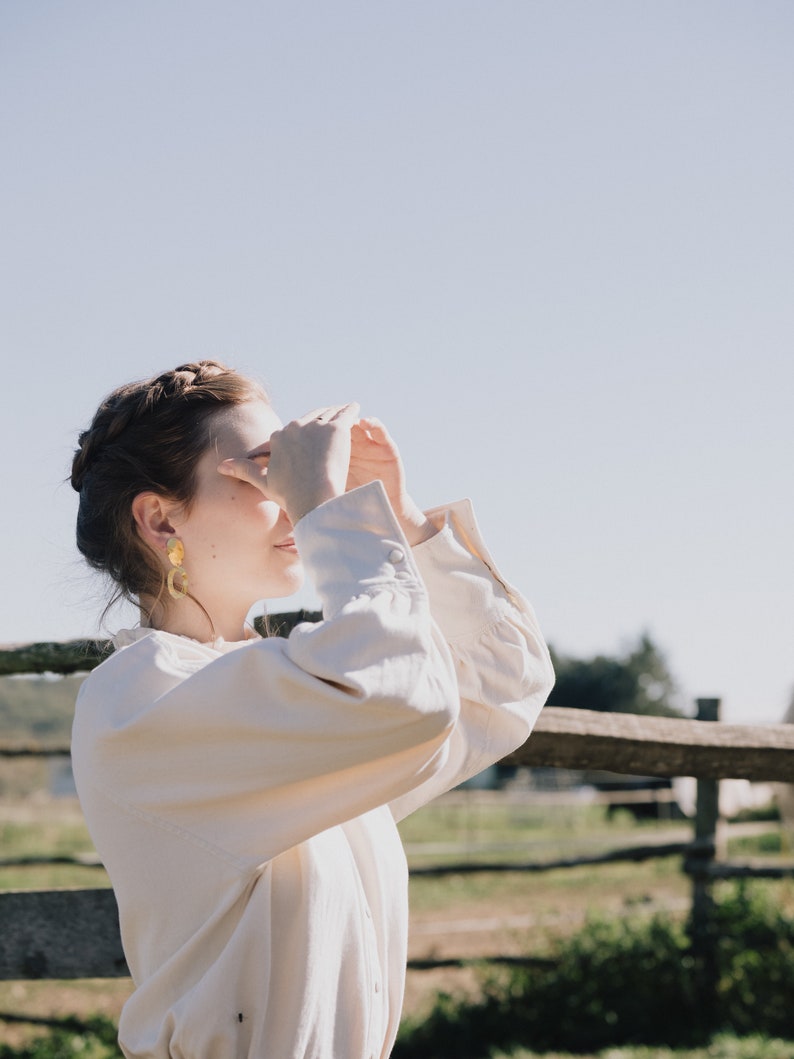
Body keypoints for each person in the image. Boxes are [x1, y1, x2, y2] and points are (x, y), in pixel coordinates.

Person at [70, 360, 554, 1059]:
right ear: (159, 516)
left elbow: (500, 687)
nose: (292, 493)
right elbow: (402, 695)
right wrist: (334, 512)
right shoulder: (140, 701)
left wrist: (400, 516)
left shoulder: (285, 697)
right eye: (262, 469)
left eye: (290, 467)